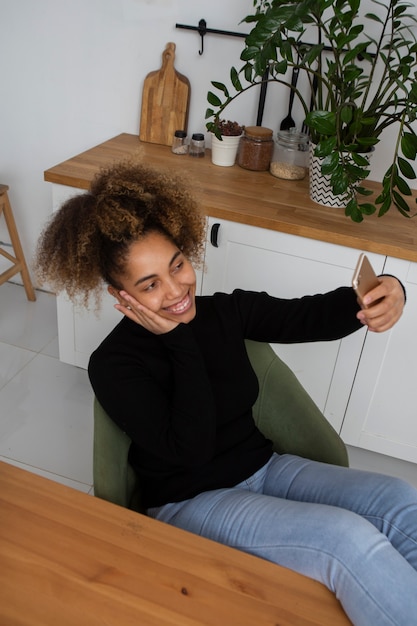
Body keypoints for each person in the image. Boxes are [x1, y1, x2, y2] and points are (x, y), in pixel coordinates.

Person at [35, 159, 417, 626]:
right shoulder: (114, 365)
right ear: (121, 295)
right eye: (150, 285)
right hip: (191, 500)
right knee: (347, 541)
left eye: (177, 265)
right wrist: (178, 341)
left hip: (265, 467)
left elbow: (308, 316)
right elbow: (189, 450)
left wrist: (387, 290)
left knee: (402, 503)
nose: (176, 290)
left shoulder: (225, 312)